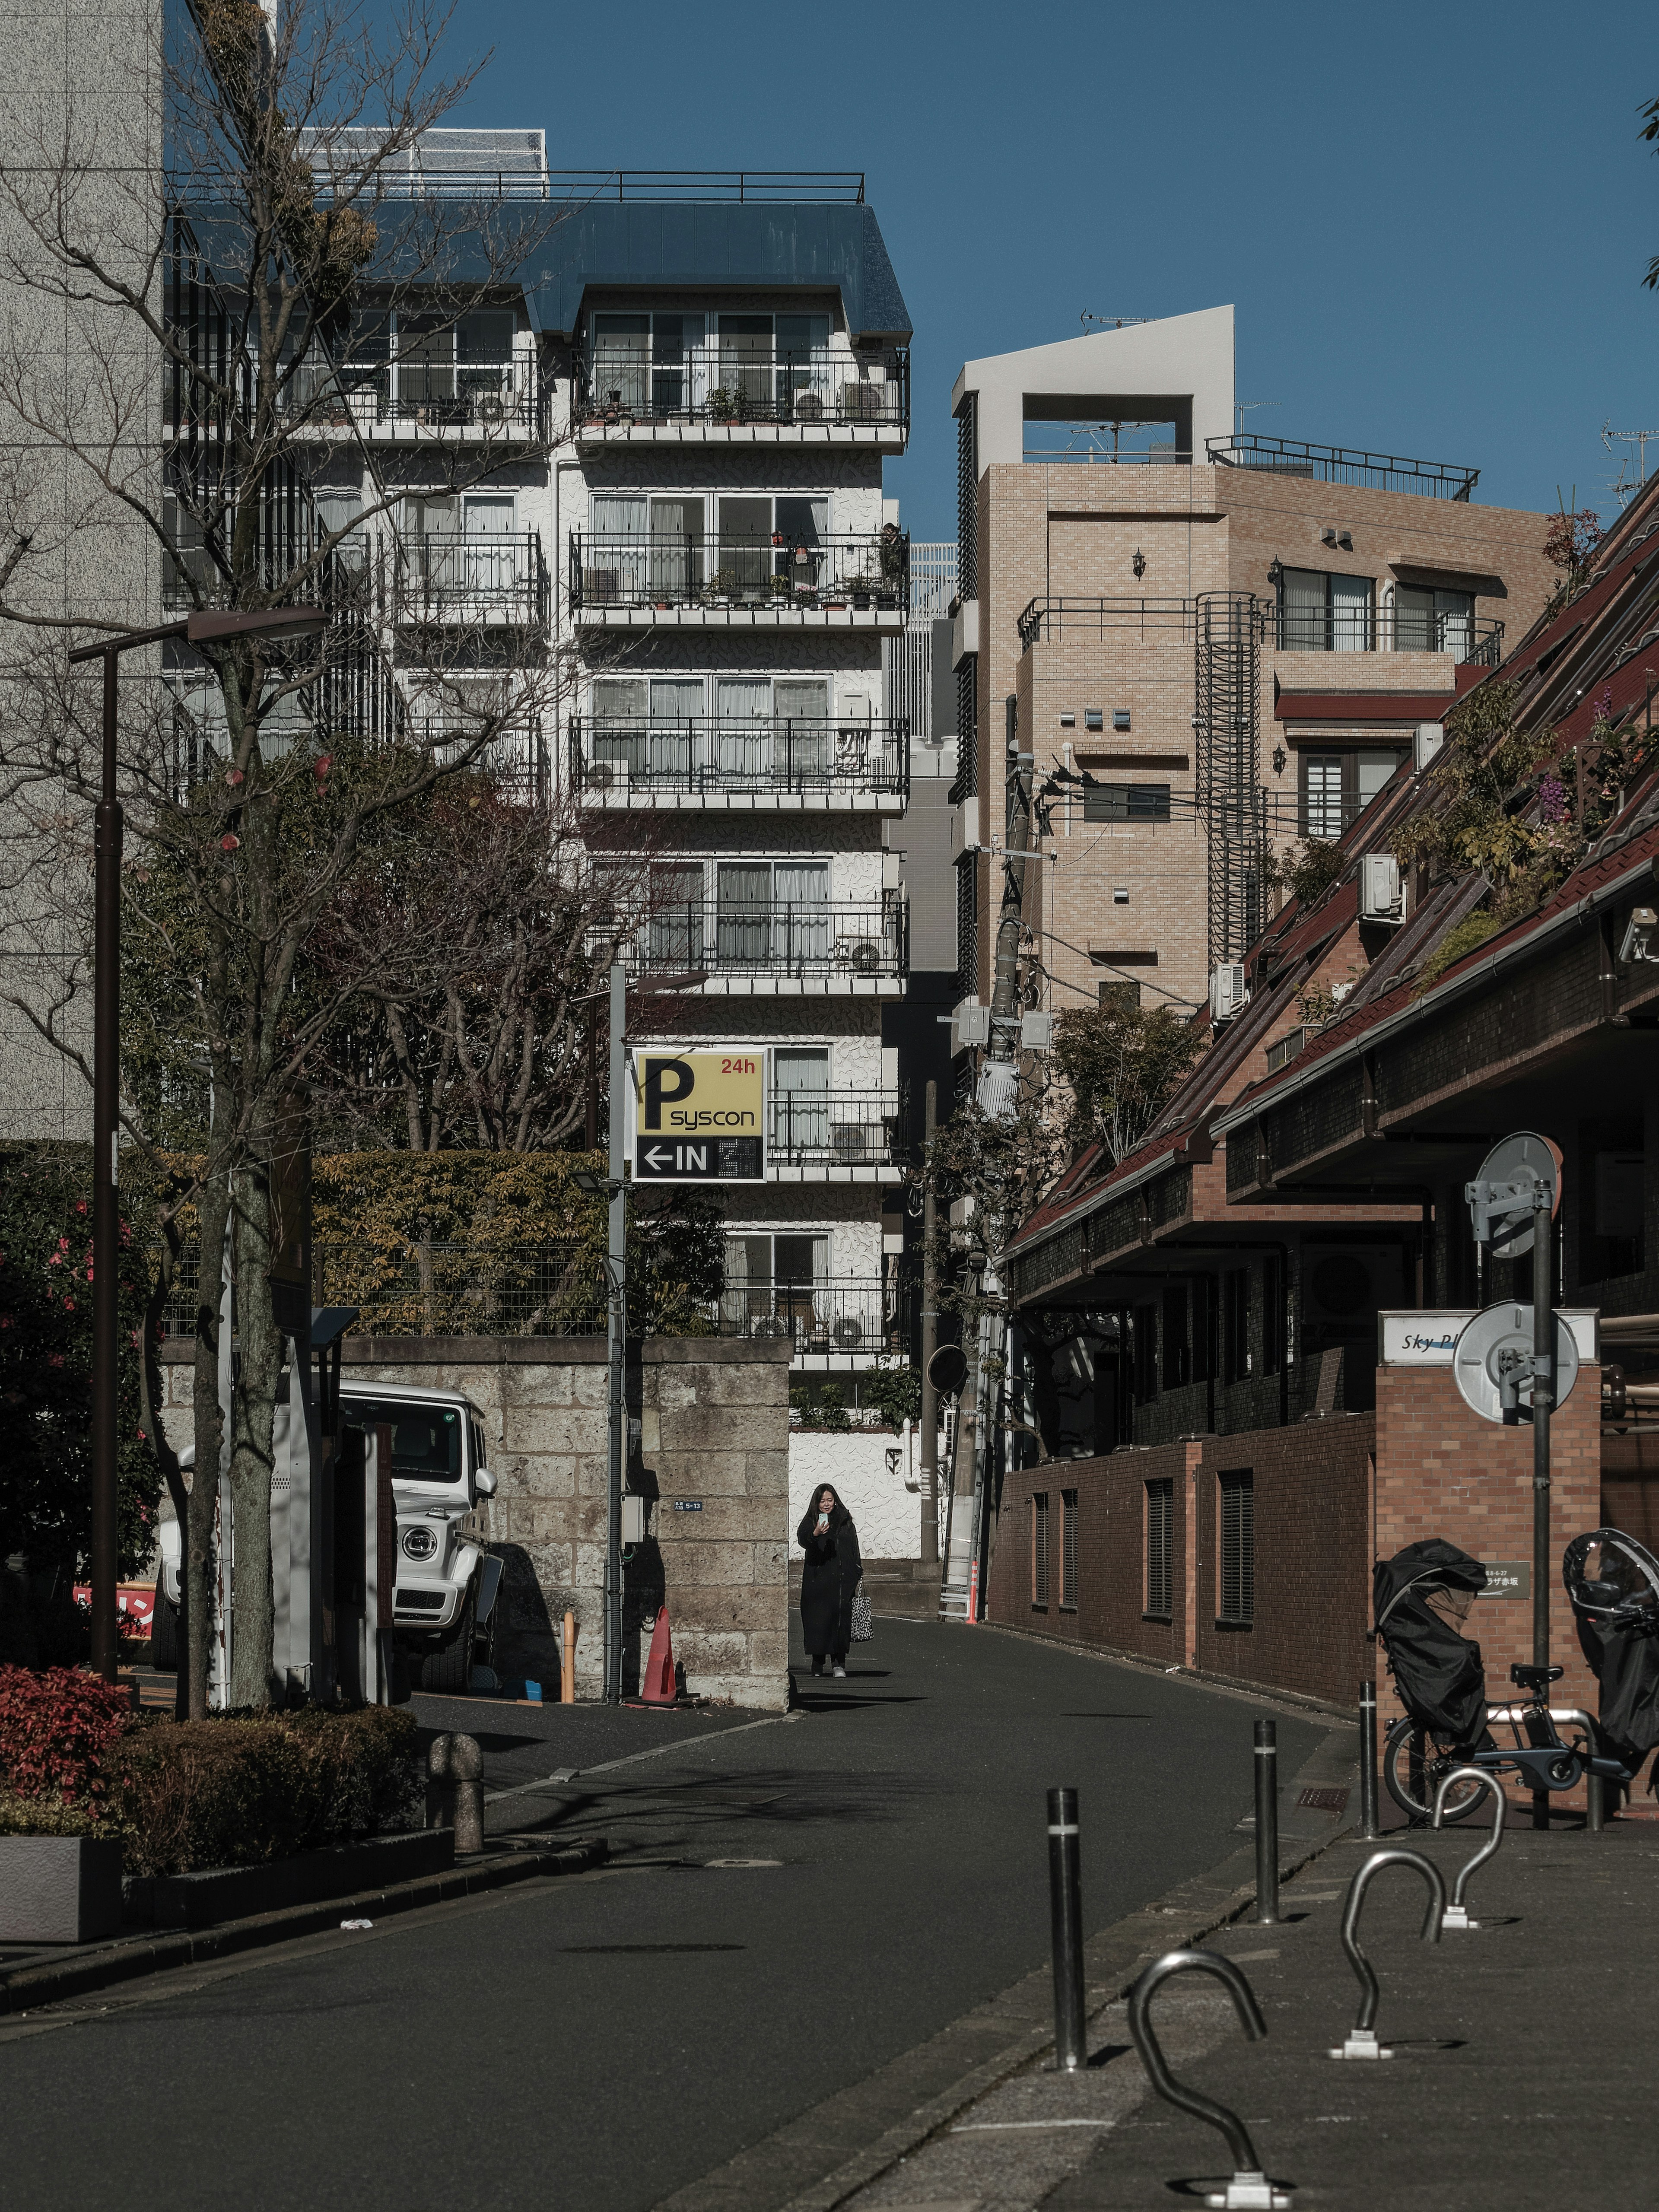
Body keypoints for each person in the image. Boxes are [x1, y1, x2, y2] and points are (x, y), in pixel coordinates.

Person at [797, 1484, 861, 1678]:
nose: (827, 1505)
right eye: (823, 1501)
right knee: (818, 1623)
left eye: (830, 1500)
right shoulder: (811, 1521)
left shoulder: (844, 1520)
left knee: (840, 1623)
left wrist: (857, 1572)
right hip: (818, 1582)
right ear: (817, 1503)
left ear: (835, 1500)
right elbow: (803, 1539)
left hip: (841, 1582)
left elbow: (854, 1548)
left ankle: (839, 1664)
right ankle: (817, 1663)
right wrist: (815, 1534)